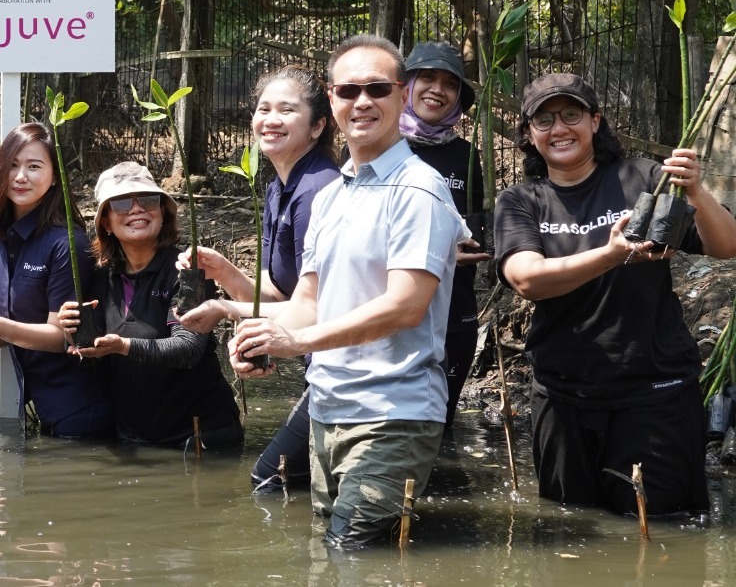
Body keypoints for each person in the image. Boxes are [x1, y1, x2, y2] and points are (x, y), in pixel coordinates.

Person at [230, 34, 466, 548]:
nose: (362, 102)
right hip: (328, 410)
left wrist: (298, 344)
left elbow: (405, 306)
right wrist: (259, 334)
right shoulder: (333, 195)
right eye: (348, 90)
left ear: (402, 97)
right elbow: (307, 304)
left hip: (393, 413)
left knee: (354, 557)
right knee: (331, 557)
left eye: (377, 89)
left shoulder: (420, 189)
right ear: (332, 101)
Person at [495, 73, 736, 515]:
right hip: (563, 396)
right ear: (529, 134)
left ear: (595, 122)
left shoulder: (643, 177)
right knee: (568, 531)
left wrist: (697, 191)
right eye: (544, 120)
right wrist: (610, 255)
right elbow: (527, 278)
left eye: (571, 115)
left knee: (664, 531)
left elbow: (726, 246)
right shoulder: (521, 200)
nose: (559, 128)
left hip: (656, 391)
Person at [179, 65, 339, 488]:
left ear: (318, 125)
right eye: (263, 108)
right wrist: (223, 270)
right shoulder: (277, 188)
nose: (271, 119)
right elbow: (274, 292)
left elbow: (317, 308)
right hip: (317, 366)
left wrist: (223, 309)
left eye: (287, 110)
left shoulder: (319, 190)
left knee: (271, 481)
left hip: (342, 365)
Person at [57, 162, 242, 449]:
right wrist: (72, 334)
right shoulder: (99, 277)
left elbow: (188, 349)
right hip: (134, 439)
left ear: (162, 211)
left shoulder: (187, 269)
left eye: (147, 199)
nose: (136, 209)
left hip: (198, 438)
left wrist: (121, 346)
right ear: (105, 222)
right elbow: (92, 356)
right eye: (120, 204)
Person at [0, 122, 113, 438]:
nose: (20, 176)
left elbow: (59, 336)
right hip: (30, 397)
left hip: (78, 402)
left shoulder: (68, 241)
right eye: (11, 166)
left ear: (55, 178)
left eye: (34, 166)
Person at [400, 41, 492, 426]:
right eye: (428, 78)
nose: (438, 89)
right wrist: (434, 253)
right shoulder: (380, 147)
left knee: (439, 427)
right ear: (405, 86)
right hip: (394, 313)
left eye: (450, 84)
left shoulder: (466, 156)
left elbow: (474, 235)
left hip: (454, 310)